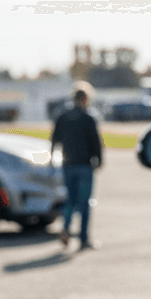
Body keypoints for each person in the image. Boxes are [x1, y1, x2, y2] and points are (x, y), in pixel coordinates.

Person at [50, 82, 103, 251]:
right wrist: (99, 160)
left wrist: (53, 158)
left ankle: (66, 227)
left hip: (68, 165)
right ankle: (83, 238)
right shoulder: (88, 118)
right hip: (84, 165)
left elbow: (54, 139)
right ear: (85, 99)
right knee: (85, 203)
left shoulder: (63, 116)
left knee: (70, 201)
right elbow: (96, 142)